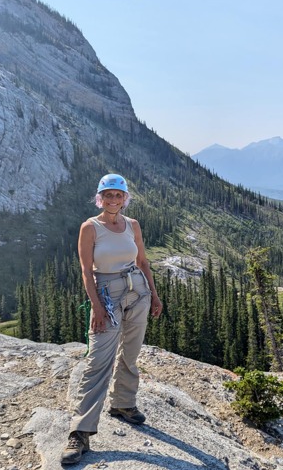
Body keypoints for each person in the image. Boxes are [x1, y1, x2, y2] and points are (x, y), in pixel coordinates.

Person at [61, 174, 163, 465]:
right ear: (100, 198)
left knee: (130, 353)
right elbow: (85, 270)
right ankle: (80, 431)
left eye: (118, 195)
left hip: (137, 291)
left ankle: (123, 404)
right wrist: (97, 308)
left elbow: (142, 262)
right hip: (107, 294)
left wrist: (154, 295)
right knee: (98, 361)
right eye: (108, 195)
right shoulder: (90, 227)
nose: (113, 200)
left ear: (125, 198)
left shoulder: (132, 225)